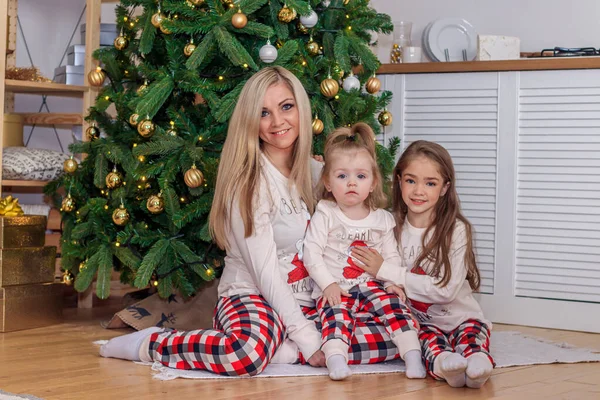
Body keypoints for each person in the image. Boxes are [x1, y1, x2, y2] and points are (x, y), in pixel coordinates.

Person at [99, 67, 399, 376]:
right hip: (254, 294)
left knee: (397, 334)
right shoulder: (249, 184)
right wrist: (311, 341)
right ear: (250, 122)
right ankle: (154, 344)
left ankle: (284, 351)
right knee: (246, 354)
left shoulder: (320, 174)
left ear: (301, 108)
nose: (278, 122)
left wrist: (381, 270)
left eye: (286, 106)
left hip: (310, 298)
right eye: (263, 113)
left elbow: (353, 224)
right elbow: (266, 274)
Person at [352, 140, 495, 388]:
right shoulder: (388, 226)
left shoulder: (456, 230)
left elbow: (446, 290)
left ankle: (477, 364)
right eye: (411, 180)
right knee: (427, 344)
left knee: (471, 338)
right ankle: (446, 366)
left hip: (462, 317)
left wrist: (385, 269)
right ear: (398, 180)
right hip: (423, 323)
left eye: (430, 183)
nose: (419, 191)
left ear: (444, 188)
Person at [303, 123, 425, 381]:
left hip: (371, 285)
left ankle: (412, 356)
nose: (351, 183)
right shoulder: (326, 213)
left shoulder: (382, 220)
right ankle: (336, 359)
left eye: (360, 176)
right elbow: (311, 253)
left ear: (372, 183)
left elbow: (391, 255)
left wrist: (392, 283)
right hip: (338, 287)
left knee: (396, 307)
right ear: (327, 182)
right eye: (342, 176)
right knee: (335, 317)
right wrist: (328, 285)